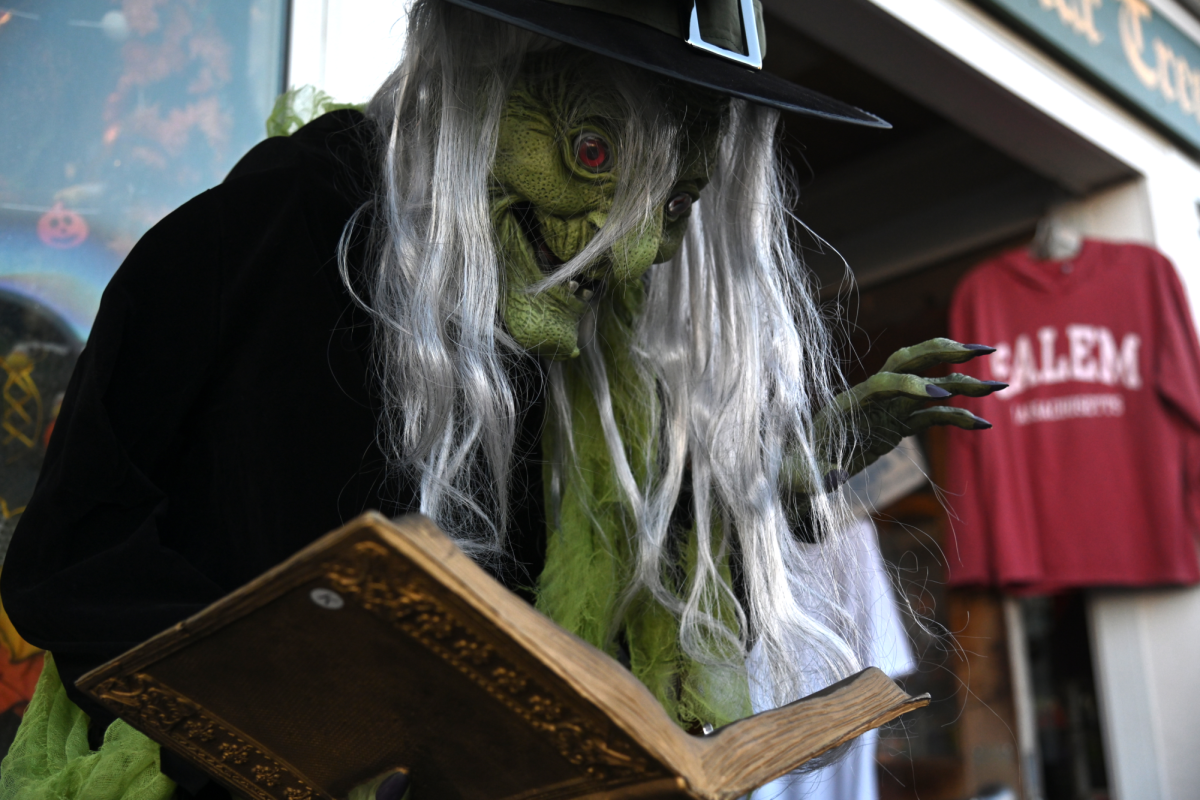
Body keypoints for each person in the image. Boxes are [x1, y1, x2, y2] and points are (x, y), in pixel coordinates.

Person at [0, 1, 1003, 798]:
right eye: (594, 155)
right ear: (486, 76)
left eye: (677, 203)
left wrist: (764, 483)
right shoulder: (285, 220)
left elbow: (593, 597)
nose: (636, 251)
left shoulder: (578, 358)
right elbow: (73, 558)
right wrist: (293, 728)